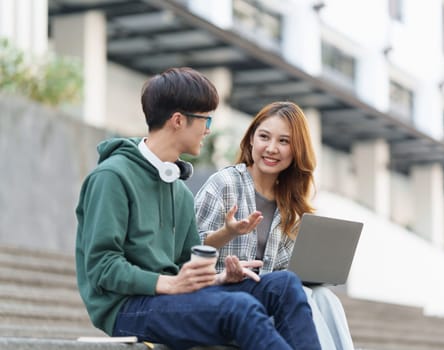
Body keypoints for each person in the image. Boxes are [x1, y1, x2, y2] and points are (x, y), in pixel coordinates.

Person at [75, 67, 322, 350]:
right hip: (128, 307)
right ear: (178, 120)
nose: (208, 129)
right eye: (205, 119)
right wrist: (169, 284)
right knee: (238, 308)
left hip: (173, 298)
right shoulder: (111, 177)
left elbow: (186, 262)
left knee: (284, 286)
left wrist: (221, 277)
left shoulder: (177, 187)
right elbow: (102, 267)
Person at [194, 101, 355, 350]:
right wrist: (227, 234)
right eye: (264, 137)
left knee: (325, 297)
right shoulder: (224, 184)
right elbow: (187, 248)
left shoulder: (291, 205)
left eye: (284, 141)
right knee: (305, 298)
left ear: (296, 150)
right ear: (251, 140)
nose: (271, 148)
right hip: (220, 294)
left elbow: (284, 272)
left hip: (269, 298)